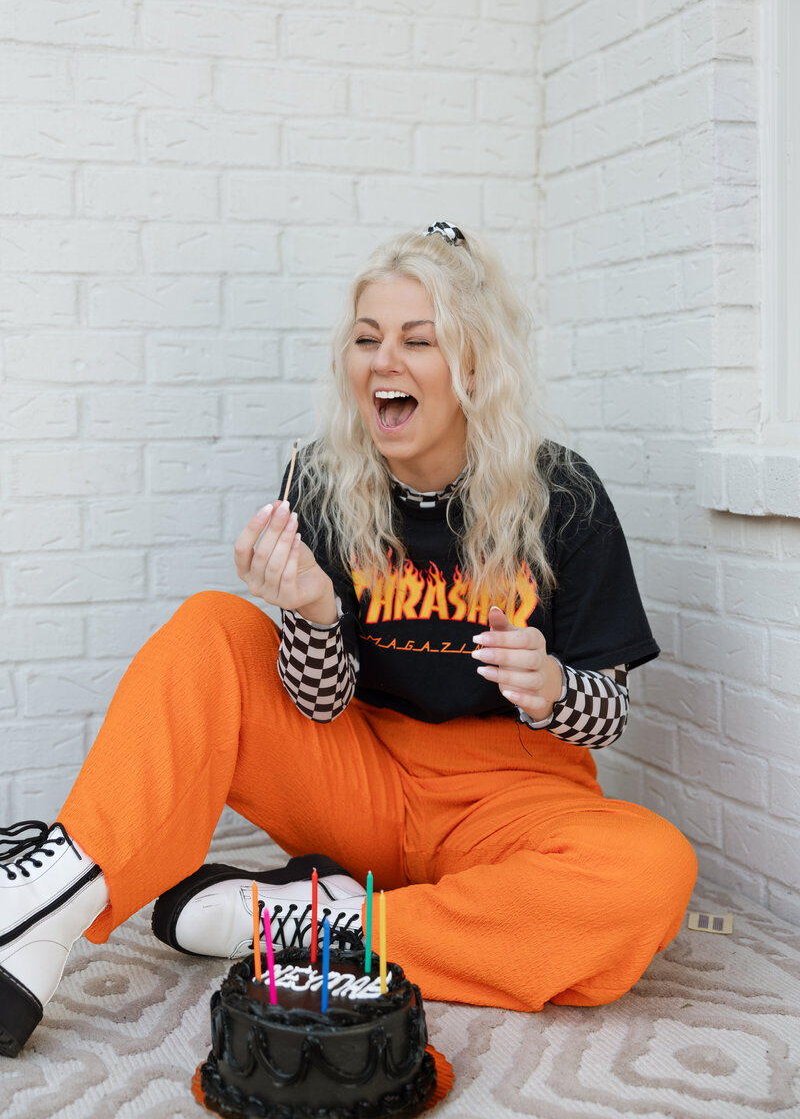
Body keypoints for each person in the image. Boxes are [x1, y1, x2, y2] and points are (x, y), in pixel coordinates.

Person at [0, 222, 697, 1058]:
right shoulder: (324, 484)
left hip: (509, 796)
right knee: (211, 628)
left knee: (650, 871)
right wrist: (313, 613)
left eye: (416, 340)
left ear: (470, 364)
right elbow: (317, 701)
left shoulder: (566, 494)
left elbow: (609, 711)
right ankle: (49, 905)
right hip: (360, 779)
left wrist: (553, 689)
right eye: (368, 339)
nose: (383, 361)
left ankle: (318, 922)